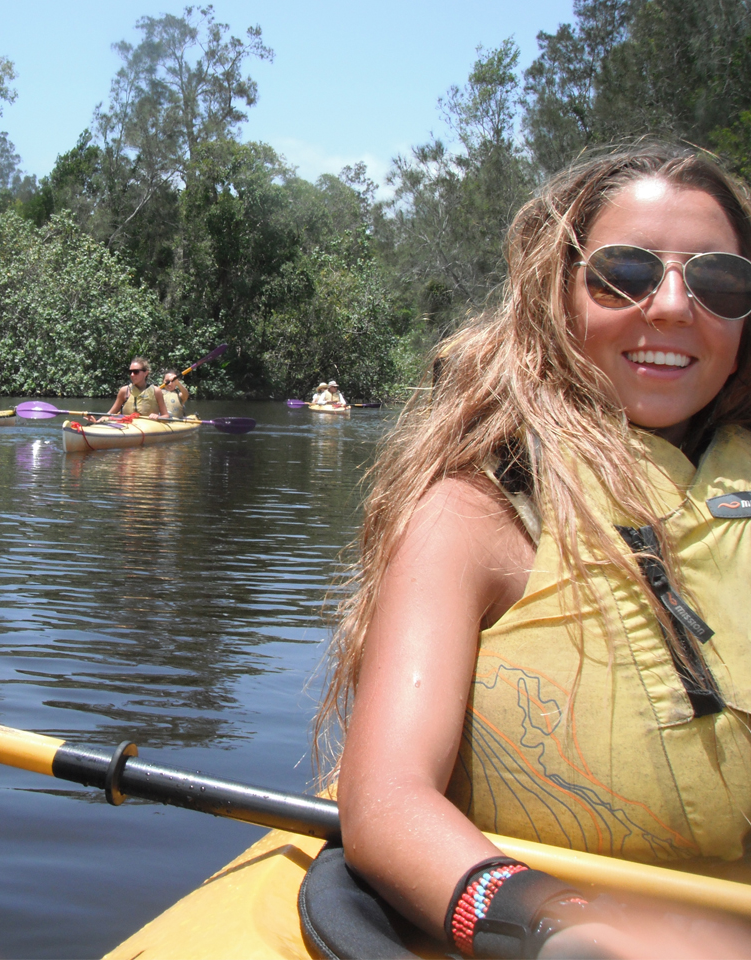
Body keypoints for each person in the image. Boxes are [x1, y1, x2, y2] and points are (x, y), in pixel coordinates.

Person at [318, 144, 751, 959]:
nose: (669, 306)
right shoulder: (475, 512)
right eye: (623, 274)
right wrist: (553, 924)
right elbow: (384, 800)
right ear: (558, 297)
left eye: (719, 281)